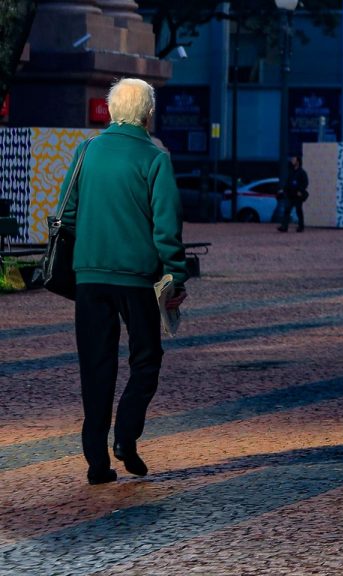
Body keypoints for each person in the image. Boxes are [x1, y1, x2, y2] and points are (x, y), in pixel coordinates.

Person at [58, 78, 188, 485]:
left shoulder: (87, 151)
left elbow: (69, 212)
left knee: (95, 367)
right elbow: (167, 227)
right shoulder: (155, 157)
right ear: (148, 113)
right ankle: (126, 437)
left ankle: (97, 461)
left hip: (90, 277)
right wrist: (175, 275)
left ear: (113, 111)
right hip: (137, 279)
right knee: (146, 359)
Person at [277, 156, 309, 232]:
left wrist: (300, 191)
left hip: (297, 195)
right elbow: (288, 183)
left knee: (298, 210)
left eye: (294, 159)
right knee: (287, 210)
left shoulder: (302, 172)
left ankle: (301, 227)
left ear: (298, 161)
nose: (292, 161)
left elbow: (305, 183)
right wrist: (283, 190)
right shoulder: (291, 172)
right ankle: (284, 227)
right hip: (290, 194)